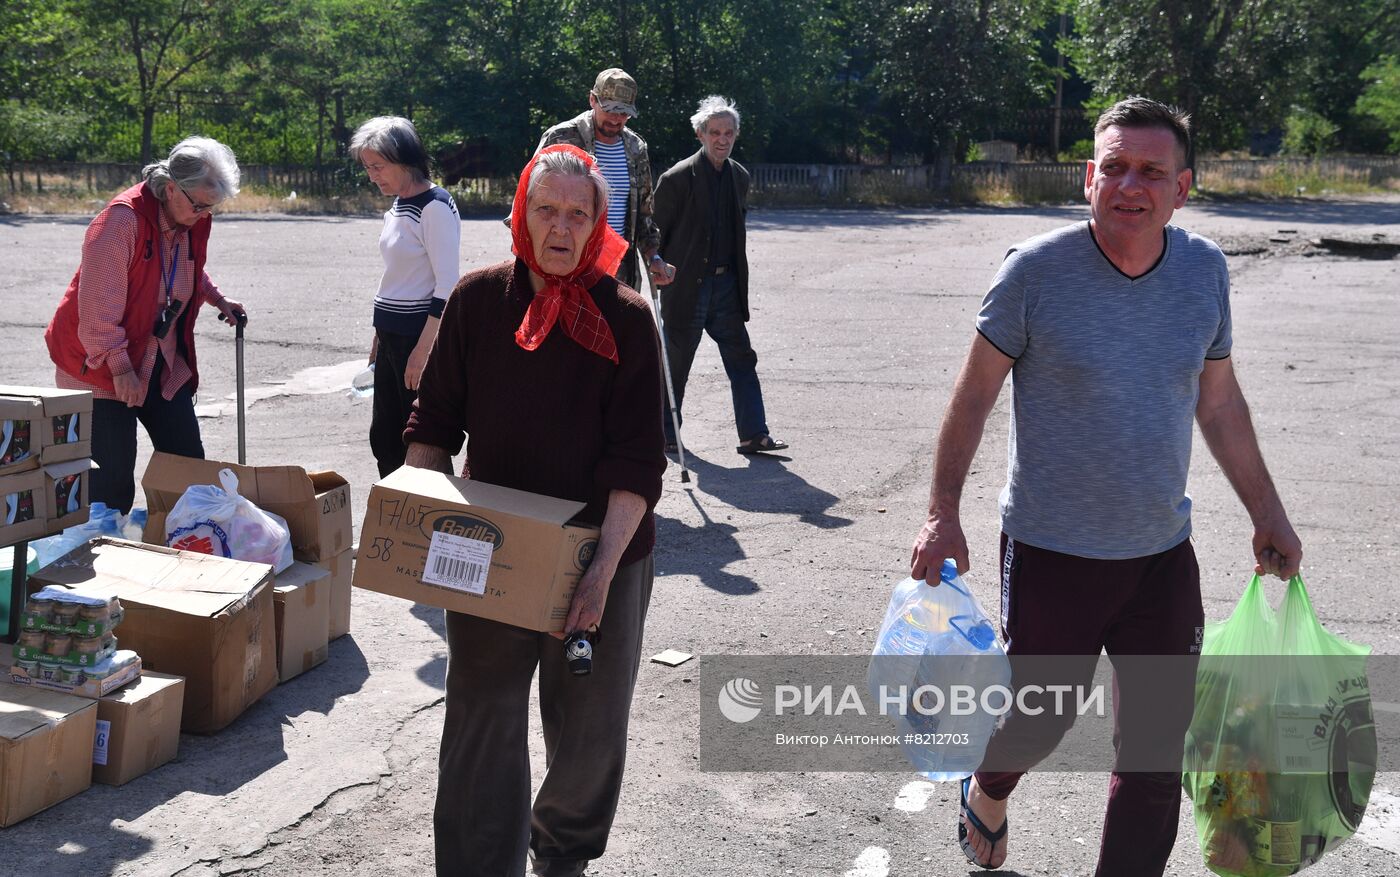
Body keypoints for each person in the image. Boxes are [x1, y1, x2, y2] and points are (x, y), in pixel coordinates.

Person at [907, 97, 1303, 876]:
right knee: (1038, 722)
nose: (1130, 185)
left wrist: (1269, 512)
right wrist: (941, 513)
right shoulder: (1034, 272)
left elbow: (1219, 401)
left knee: (1155, 758)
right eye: (1115, 167)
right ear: (1089, 177)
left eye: (1151, 171)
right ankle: (988, 785)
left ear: (1182, 188)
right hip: (1053, 552)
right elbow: (973, 395)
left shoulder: (1203, 271)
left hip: (1160, 555)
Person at [404, 144, 666, 877]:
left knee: (588, 730)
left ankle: (561, 858)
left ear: (598, 225)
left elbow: (637, 463)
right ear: (521, 213)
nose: (560, 227)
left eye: (578, 214)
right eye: (545, 209)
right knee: (480, 718)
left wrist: (600, 576)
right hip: (493, 545)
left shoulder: (627, 318)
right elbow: (432, 425)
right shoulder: (476, 300)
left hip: (602, 545)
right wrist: (420, 525)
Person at [45, 136, 246, 514]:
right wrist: (121, 368)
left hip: (157, 359)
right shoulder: (120, 221)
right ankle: (105, 543)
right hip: (100, 365)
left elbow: (184, 268)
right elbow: (96, 311)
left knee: (189, 467)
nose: (205, 214)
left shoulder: (188, 216)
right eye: (200, 205)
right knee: (110, 484)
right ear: (171, 189)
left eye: (212, 207)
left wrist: (217, 298)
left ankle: (190, 537)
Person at [652, 96, 786, 455]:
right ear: (700, 134)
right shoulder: (676, 178)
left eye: (728, 133)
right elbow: (653, 234)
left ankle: (753, 434)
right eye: (714, 132)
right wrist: (656, 264)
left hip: (726, 286)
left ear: (735, 135)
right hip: (686, 287)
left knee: (742, 358)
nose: (722, 139)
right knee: (676, 364)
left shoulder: (739, 176)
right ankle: (665, 434)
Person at [349, 116, 461, 477]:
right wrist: (377, 341)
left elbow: (448, 285)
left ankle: (425, 510)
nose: (372, 176)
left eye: (378, 166)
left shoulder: (435, 206)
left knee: (420, 440)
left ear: (404, 159)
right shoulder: (398, 205)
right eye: (367, 167)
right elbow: (395, 279)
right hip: (390, 337)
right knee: (385, 438)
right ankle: (394, 508)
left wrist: (423, 350)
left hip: (417, 337)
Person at [537, 68, 672, 292]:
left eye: (624, 113)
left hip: (619, 272)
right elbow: (530, 201)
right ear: (592, 99)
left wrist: (654, 257)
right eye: (609, 109)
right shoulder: (561, 138)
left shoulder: (636, 148)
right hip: (566, 267)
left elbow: (644, 214)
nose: (616, 119)